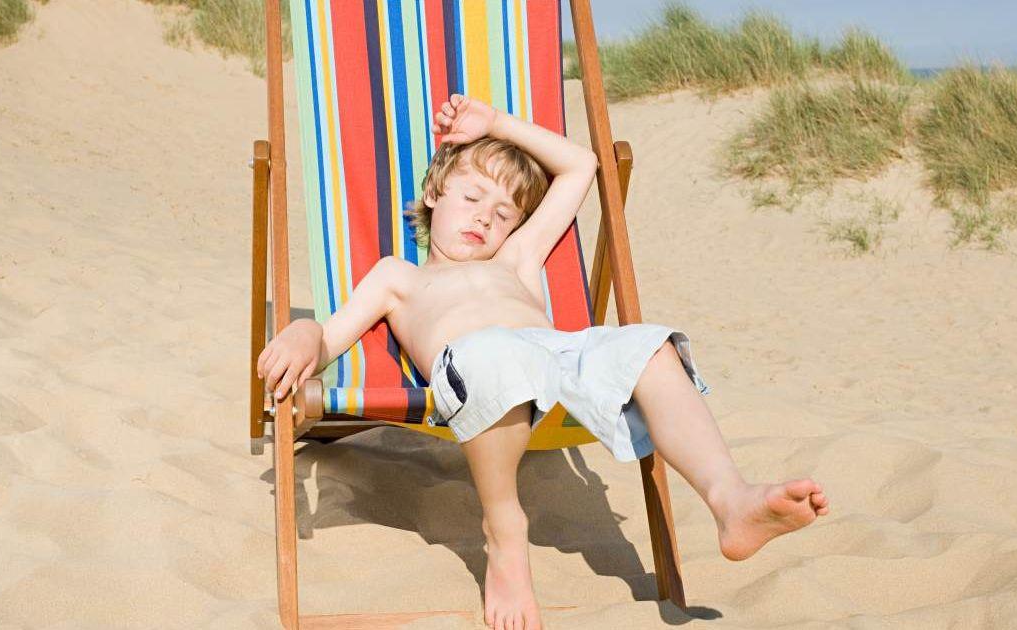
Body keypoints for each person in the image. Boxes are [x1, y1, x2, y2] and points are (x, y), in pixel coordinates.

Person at [257, 93, 829, 630]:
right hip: (479, 364)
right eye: (472, 198)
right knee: (496, 356)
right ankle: (505, 528)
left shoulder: (517, 257)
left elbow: (581, 166)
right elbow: (330, 338)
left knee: (651, 346)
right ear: (434, 193)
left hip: (558, 359)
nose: (485, 218)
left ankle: (731, 500)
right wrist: (305, 334)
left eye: (503, 212)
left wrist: (496, 123)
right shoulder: (398, 277)